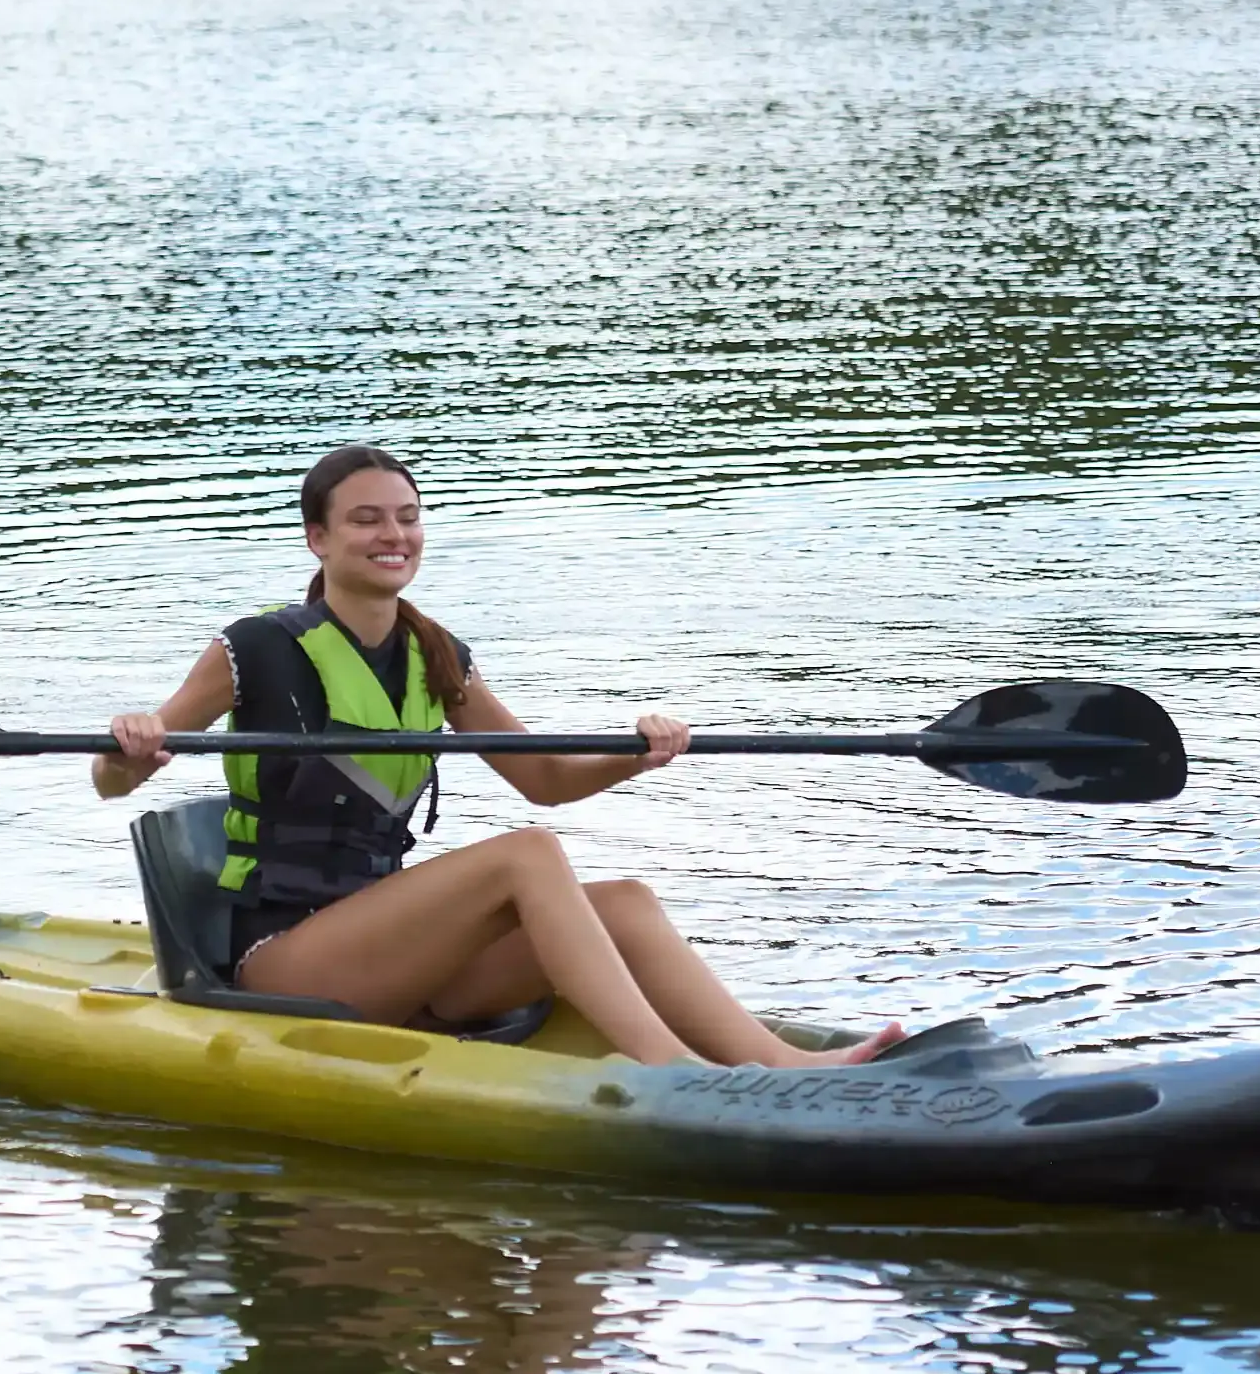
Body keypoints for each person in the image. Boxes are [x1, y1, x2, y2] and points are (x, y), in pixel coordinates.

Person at [95, 444, 904, 1069]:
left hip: (397, 956)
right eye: (367, 519)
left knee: (625, 901)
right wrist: (130, 748)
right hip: (283, 958)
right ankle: (674, 1069)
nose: (393, 535)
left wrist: (638, 753)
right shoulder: (254, 647)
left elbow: (544, 779)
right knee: (526, 855)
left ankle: (788, 1064)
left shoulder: (436, 654)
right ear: (319, 538)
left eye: (408, 516)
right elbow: (111, 780)